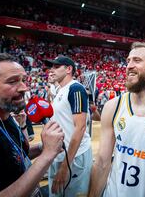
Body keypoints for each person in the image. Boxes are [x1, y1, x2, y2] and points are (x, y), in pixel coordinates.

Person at [0, 53, 64, 196]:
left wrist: (41, 148)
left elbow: (14, 157)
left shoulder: (5, 116)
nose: (24, 88)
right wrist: (47, 155)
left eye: (24, 80)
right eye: (12, 81)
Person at [88, 42, 145, 197]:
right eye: (128, 61)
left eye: (137, 60)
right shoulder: (112, 107)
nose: (129, 66)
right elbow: (102, 162)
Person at [45, 56, 92, 196]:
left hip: (74, 157)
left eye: (56, 67)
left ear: (69, 69)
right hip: (60, 153)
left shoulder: (76, 89)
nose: (51, 70)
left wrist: (65, 166)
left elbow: (80, 128)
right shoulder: (61, 90)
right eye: (51, 67)